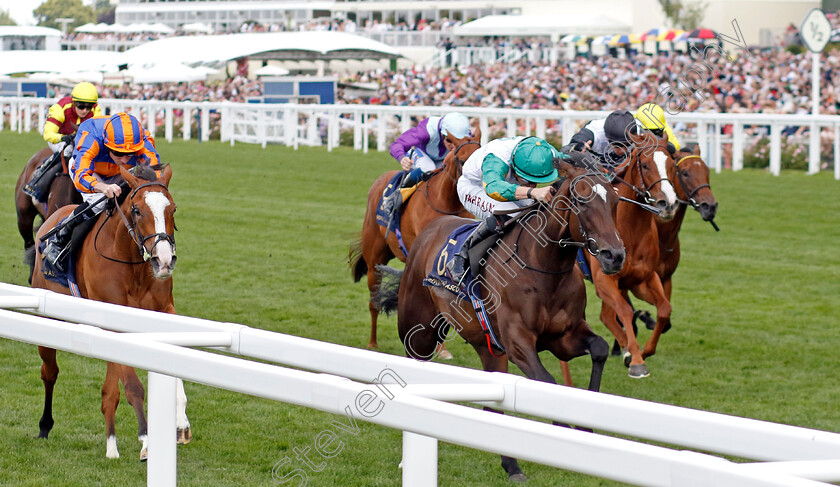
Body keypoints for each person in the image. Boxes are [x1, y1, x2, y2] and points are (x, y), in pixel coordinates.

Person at [41, 112, 161, 271]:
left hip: (121, 172)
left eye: (129, 154)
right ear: (106, 143)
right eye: (118, 153)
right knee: (100, 202)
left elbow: (154, 173)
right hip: (89, 171)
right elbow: (81, 175)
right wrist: (103, 187)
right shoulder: (90, 136)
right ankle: (60, 239)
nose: (124, 159)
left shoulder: (141, 140)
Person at [447, 136, 563, 284]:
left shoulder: (542, 153)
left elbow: (569, 160)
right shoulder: (496, 159)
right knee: (511, 212)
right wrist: (532, 192)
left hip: (508, 182)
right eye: (529, 181)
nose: (533, 185)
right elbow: (493, 188)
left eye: (537, 182)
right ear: (514, 165)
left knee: (537, 212)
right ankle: (461, 257)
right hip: (476, 186)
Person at [23, 82, 103, 202]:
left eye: (89, 107)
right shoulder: (60, 108)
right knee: (68, 152)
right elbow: (48, 134)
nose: (85, 110)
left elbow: (99, 130)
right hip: (60, 139)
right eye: (81, 106)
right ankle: (38, 181)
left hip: (81, 140)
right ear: (74, 103)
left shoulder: (96, 109)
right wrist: (62, 138)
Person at [382, 112, 472, 213]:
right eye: (449, 140)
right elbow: (397, 145)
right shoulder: (426, 130)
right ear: (442, 134)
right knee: (428, 167)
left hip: (441, 158)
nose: (453, 146)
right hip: (420, 152)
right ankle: (397, 195)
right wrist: (402, 158)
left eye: (458, 142)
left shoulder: (466, 135)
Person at [563, 109, 639, 172]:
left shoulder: (640, 132)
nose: (623, 150)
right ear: (607, 138)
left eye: (628, 143)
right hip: (593, 174)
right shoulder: (594, 131)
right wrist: (577, 148)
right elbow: (565, 151)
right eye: (618, 145)